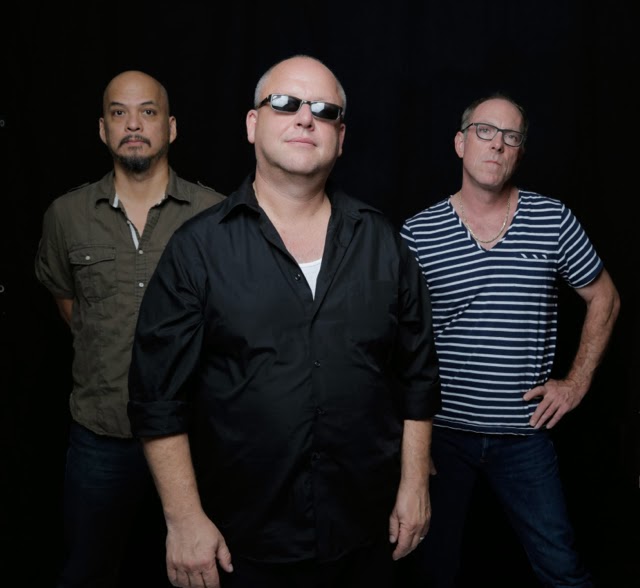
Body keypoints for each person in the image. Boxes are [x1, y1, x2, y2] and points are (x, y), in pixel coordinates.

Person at [127, 54, 441, 588]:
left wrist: (415, 484)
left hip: (366, 532)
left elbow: (417, 375)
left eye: (324, 110)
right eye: (285, 103)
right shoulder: (197, 249)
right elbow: (157, 397)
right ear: (253, 124)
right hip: (241, 542)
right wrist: (183, 519)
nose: (305, 118)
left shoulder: (383, 243)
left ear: (340, 138)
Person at [399, 93, 620, 587]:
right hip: (442, 435)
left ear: (519, 152)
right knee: (431, 572)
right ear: (460, 143)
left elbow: (605, 298)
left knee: (562, 569)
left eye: (511, 136)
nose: (497, 144)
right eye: (485, 131)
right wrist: (413, 446)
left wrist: (576, 383)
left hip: (524, 435)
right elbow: (396, 340)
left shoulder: (553, 220)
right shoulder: (418, 233)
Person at [34, 70, 225, 588]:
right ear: (103, 129)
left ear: (171, 127)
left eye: (148, 112)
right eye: (119, 113)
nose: (133, 125)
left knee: (205, 570)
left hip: (194, 437)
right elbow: (70, 306)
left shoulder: (214, 214)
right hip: (102, 437)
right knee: (88, 571)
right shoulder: (66, 216)